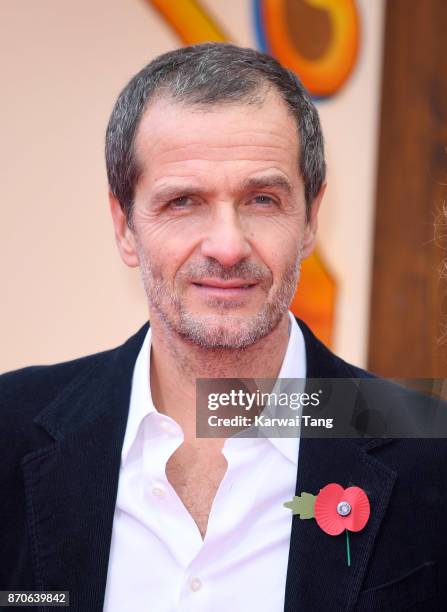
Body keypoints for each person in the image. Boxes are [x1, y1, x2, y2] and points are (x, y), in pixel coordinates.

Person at [1, 43, 446, 611]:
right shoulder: (10, 429)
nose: (228, 247)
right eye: (183, 201)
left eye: (262, 199)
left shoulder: (430, 449)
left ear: (310, 218)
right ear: (125, 226)